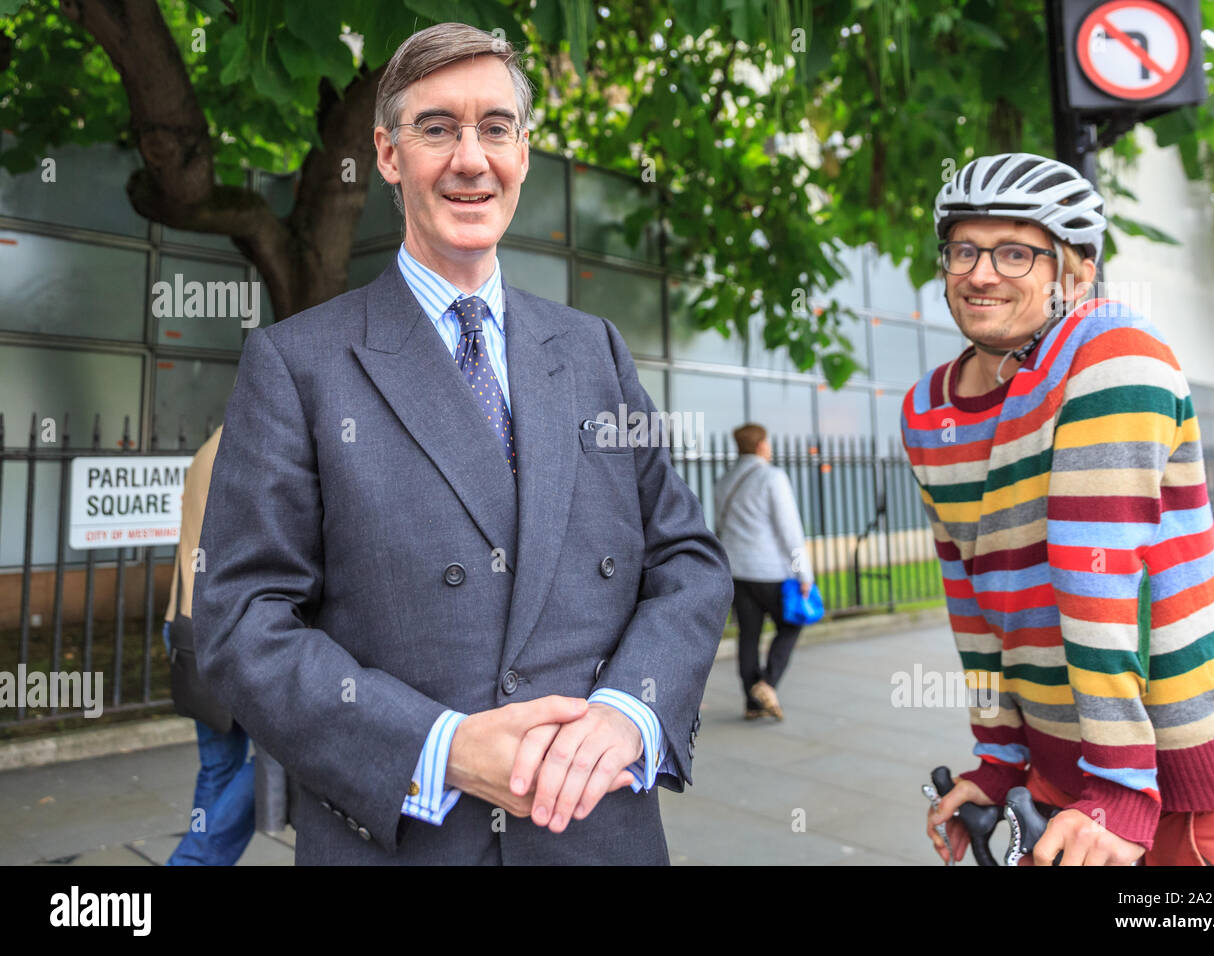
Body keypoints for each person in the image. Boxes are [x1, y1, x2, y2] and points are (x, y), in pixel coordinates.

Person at [191, 22, 732, 865]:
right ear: (386, 154)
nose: (470, 159)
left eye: (496, 128)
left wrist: (633, 710)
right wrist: (438, 748)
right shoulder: (297, 365)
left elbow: (688, 561)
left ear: (523, 151)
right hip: (407, 841)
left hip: (598, 837)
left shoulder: (594, 350)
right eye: (438, 127)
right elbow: (241, 622)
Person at [903, 152, 1214, 865]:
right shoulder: (928, 411)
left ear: (1077, 271)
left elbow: (1099, 577)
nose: (981, 272)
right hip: (1061, 784)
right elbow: (974, 604)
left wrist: (1118, 789)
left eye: (1016, 252)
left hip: (1188, 786)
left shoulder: (1114, 353)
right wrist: (997, 763)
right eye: (964, 248)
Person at [162, 425, 256, 866]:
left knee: (219, 767)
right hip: (235, 634)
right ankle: (194, 861)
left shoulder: (206, 450)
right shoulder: (253, 450)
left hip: (187, 625)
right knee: (285, 763)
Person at [713, 424, 814, 721]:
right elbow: (790, 531)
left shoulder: (725, 481)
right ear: (761, 446)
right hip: (769, 571)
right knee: (791, 624)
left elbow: (720, 526)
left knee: (749, 635)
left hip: (736, 571)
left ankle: (752, 704)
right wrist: (803, 573)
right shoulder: (773, 477)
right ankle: (767, 684)